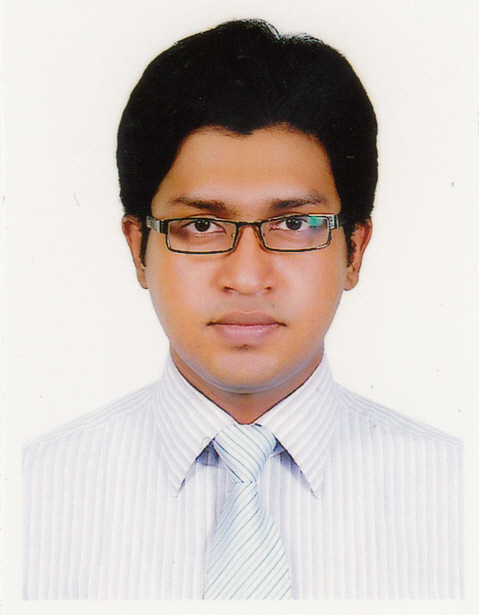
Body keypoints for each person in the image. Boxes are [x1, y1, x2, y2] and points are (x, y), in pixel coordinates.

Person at [23, 19, 463, 600]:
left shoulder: (457, 497)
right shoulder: (30, 497)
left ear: (354, 250)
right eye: (202, 226)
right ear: (138, 249)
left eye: (295, 224)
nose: (248, 278)